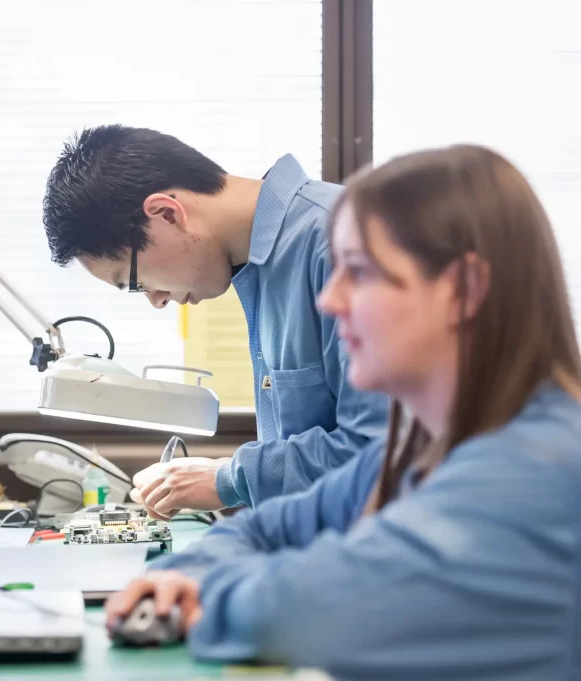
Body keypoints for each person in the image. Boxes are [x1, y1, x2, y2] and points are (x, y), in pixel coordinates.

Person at [105, 144, 581, 680]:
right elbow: (265, 530)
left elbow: (311, 612)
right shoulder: (425, 449)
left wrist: (186, 596)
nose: (330, 301)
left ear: (465, 290)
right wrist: (184, 572)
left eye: (359, 271)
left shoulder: (531, 472)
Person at [42, 125, 389, 514]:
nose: (156, 301)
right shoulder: (264, 269)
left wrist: (230, 479)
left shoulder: (345, 243)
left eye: (134, 282)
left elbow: (385, 452)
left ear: (167, 214)